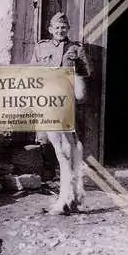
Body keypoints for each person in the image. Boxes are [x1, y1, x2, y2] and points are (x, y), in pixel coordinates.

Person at [30, 12, 92, 180]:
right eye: (57, 27)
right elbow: (32, 70)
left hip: (67, 99)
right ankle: (48, 175)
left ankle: (70, 174)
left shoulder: (76, 48)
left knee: (69, 135)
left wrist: (72, 81)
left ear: (68, 29)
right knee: (45, 136)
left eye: (63, 27)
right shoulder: (41, 47)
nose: (60, 30)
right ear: (51, 30)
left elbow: (86, 72)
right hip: (46, 98)